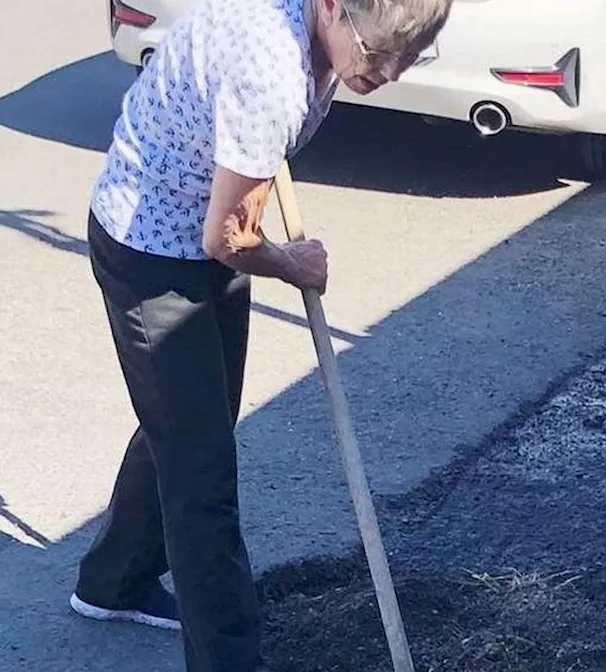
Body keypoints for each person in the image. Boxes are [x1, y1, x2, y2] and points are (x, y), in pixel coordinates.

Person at [70, 0, 452, 670]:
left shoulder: (326, 33)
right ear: (331, 6)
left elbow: (224, 225)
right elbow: (229, 238)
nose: (388, 72)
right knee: (203, 476)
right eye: (378, 51)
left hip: (197, 233)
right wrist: (290, 261)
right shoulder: (270, 72)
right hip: (150, 247)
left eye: (409, 55)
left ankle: (114, 579)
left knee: (195, 422)